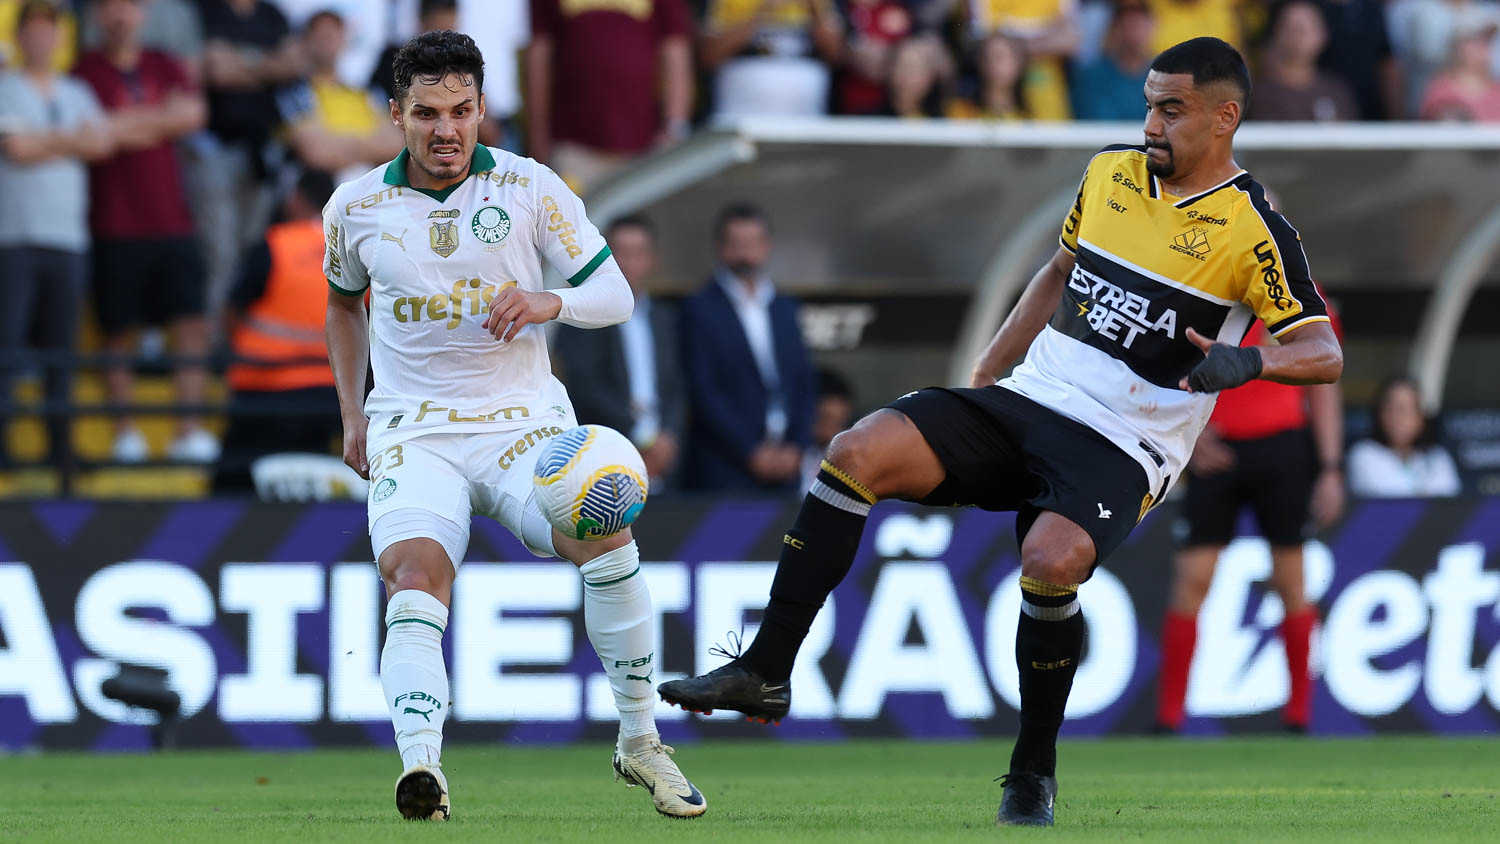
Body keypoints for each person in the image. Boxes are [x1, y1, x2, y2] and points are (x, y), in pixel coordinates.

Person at [659, 37, 1343, 827]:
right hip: (1032, 396)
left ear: (1225, 118)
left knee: (1050, 561)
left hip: (1126, 444)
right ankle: (765, 669)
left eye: (1171, 109)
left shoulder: (1254, 227)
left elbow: (1320, 349)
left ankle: (1032, 771)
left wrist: (1247, 365)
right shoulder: (1109, 172)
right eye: (1149, 104)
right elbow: (1057, 271)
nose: (1151, 123)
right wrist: (988, 370)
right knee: (854, 453)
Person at [323, 30, 705, 821]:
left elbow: (616, 296)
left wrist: (548, 300)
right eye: (427, 113)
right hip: (415, 429)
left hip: (523, 425)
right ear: (396, 114)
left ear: (483, 108)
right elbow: (340, 303)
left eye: (461, 110)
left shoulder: (532, 190)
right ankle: (421, 768)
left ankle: (640, 742)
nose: (446, 130)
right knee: (415, 575)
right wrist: (353, 413)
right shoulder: (355, 208)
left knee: (607, 534)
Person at [1152, 320, 1345, 735]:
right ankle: (1168, 718)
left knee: (1292, 581)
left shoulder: (1306, 296)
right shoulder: (1208, 285)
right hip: (1213, 446)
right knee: (1192, 579)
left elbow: (1325, 382)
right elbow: (1168, 367)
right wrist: (1190, 437)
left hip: (1283, 450)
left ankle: (1298, 717)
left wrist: (1330, 467)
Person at [76, 0, 217, 464]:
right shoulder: (84, 69)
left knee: (191, 324)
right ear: (99, 16)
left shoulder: (163, 61)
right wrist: (159, 120)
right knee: (118, 331)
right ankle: (124, 434)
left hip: (172, 219)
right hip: (113, 222)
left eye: (128, 7)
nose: (119, 16)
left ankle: (189, 431)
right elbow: (91, 135)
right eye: (110, 8)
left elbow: (193, 114)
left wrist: (121, 128)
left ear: (141, 14)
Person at [0, 0, 112, 471]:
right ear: (22, 36)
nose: (44, 39)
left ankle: (60, 449)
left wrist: (46, 140)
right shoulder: (5, 88)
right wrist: (70, 139)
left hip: (67, 237)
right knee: (7, 346)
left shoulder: (77, 89)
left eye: (52, 30)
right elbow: (16, 149)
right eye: (37, 30)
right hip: (15, 235)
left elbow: (101, 143)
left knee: (61, 352)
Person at [214, 170, 341, 492]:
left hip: (265, 390)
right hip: (332, 394)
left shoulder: (276, 244)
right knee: (312, 483)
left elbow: (232, 309)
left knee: (234, 486)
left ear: (295, 199)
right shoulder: (350, 250)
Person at [679, 202, 816, 493]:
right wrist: (749, 451)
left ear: (767, 246)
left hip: (787, 469)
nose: (746, 255)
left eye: (754, 244)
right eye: (737, 245)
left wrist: (798, 448)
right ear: (720, 247)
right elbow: (703, 391)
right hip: (726, 471)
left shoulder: (785, 307)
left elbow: (804, 382)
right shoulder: (699, 309)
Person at [553, 214, 685, 492]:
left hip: (666, 461)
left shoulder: (666, 318)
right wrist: (644, 438)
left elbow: (678, 385)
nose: (629, 263)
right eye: (621, 253)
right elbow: (585, 386)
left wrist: (668, 439)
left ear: (651, 259)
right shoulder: (581, 313)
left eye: (638, 253)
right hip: (603, 457)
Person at [528, 0, 692, 192]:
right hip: (573, 144)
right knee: (570, 220)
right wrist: (538, 136)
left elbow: (675, 53)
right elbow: (539, 56)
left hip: (645, 147)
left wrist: (675, 129)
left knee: (638, 221)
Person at [276, 9, 403, 182]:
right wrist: (369, 145)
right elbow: (316, 152)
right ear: (306, 41)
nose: (328, 41)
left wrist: (338, 142)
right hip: (322, 192)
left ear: (344, 40)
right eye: (321, 35)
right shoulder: (295, 92)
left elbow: (397, 145)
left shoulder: (366, 94)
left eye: (333, 34)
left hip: (371, 190)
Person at [698, 0, 845, 118]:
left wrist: (814, 10)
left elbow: (836, 55)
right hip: (740, 118)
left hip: (807, 119)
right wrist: (762, 12)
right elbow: (708, 56)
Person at [1347, 377, 1461, 497]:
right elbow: (1393, 499)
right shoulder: (1363, 454)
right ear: (1380, 414)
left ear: (1421, 418)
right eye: (1391, 409)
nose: (1398, 418)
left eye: (1405, 410)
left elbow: (1448, 501)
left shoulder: (1438, 457)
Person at [966, 0, 1080, 120]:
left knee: (1040, 76)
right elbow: (984, 41)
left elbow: (1071, 41)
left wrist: (1015, 48)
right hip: (992, 72)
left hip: (1042, 75)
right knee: (997, 60)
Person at [1246, 0, 1357, 122]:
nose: (1299, 35)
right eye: (1291, 27)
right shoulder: (1258, 96)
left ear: (1323, 34)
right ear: (1275, 33)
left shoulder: (1337, 92)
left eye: (1307, 27)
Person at [1072, 0, 1156, 121]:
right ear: (1115, 28)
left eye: (1139, 24)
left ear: (1152, 26)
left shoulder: (1165, 78)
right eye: (1128, 25)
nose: (1134, 32)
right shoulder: (1092, 77)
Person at [1419, 19, 1500, 121]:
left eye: (1487, 42)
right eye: (1477, 42)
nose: (1484, 48)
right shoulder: (1442, 90)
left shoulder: (1497, 90)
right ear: (1459, 47)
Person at [801, 367, 855, 490]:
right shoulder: (792, 456)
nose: (832, 432)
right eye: (825, 420)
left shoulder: (850, 461)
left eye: (838, 423)